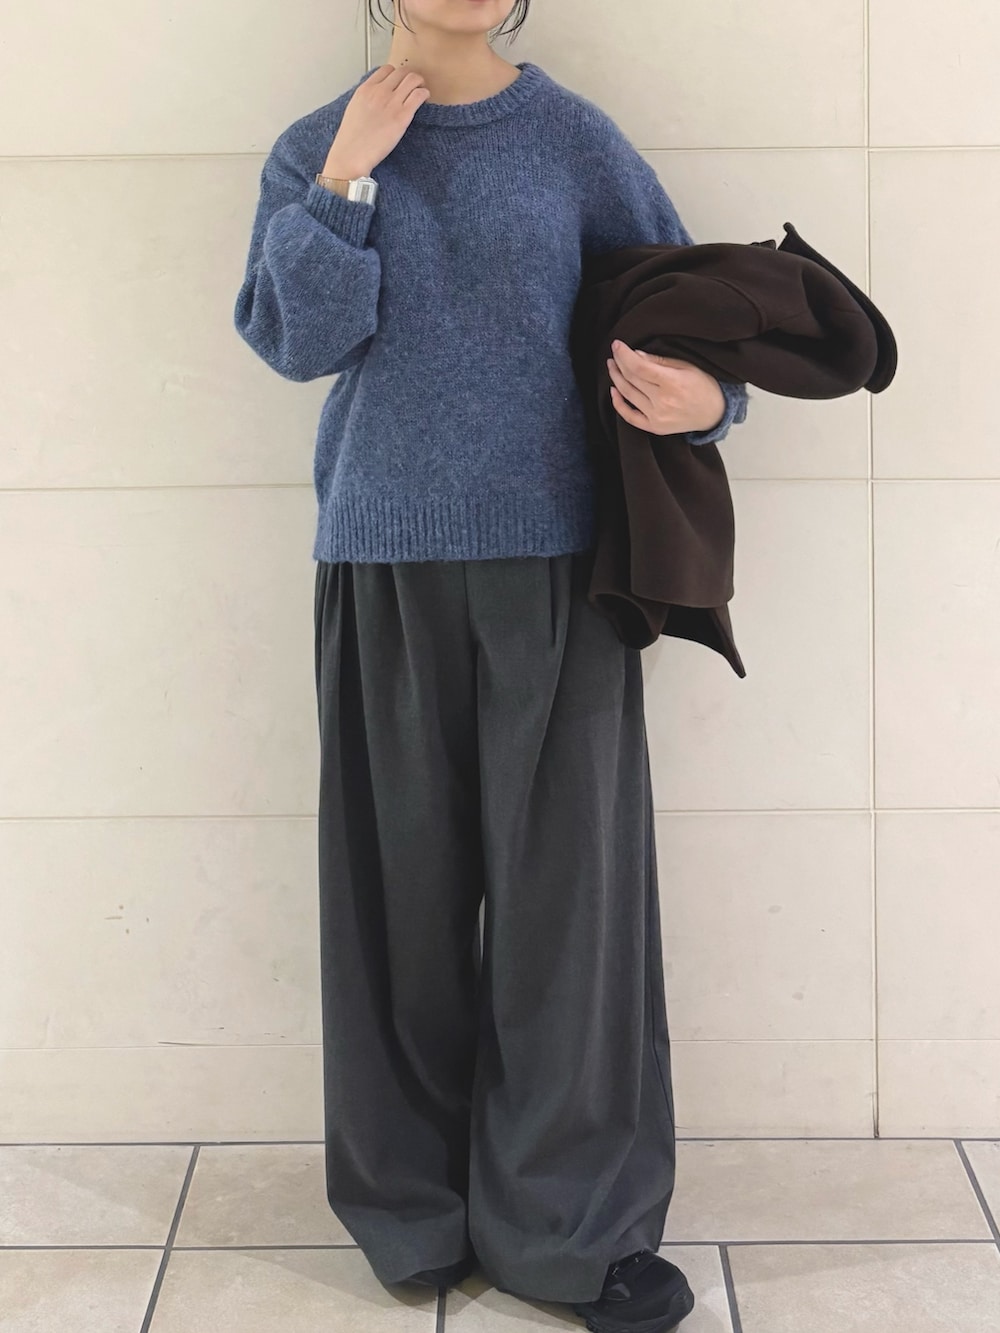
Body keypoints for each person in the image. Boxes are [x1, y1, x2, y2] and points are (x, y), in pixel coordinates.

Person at [233, 3, 748, 1329]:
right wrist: (346, 179)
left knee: (570, 913)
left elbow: (695, 317)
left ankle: (571, 1231)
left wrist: (712, 402)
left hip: (559, 572)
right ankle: (409, 1205)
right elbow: (294, 342)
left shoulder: (573, 141)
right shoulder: (317, 143)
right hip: (384, 566)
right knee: (394, 905)